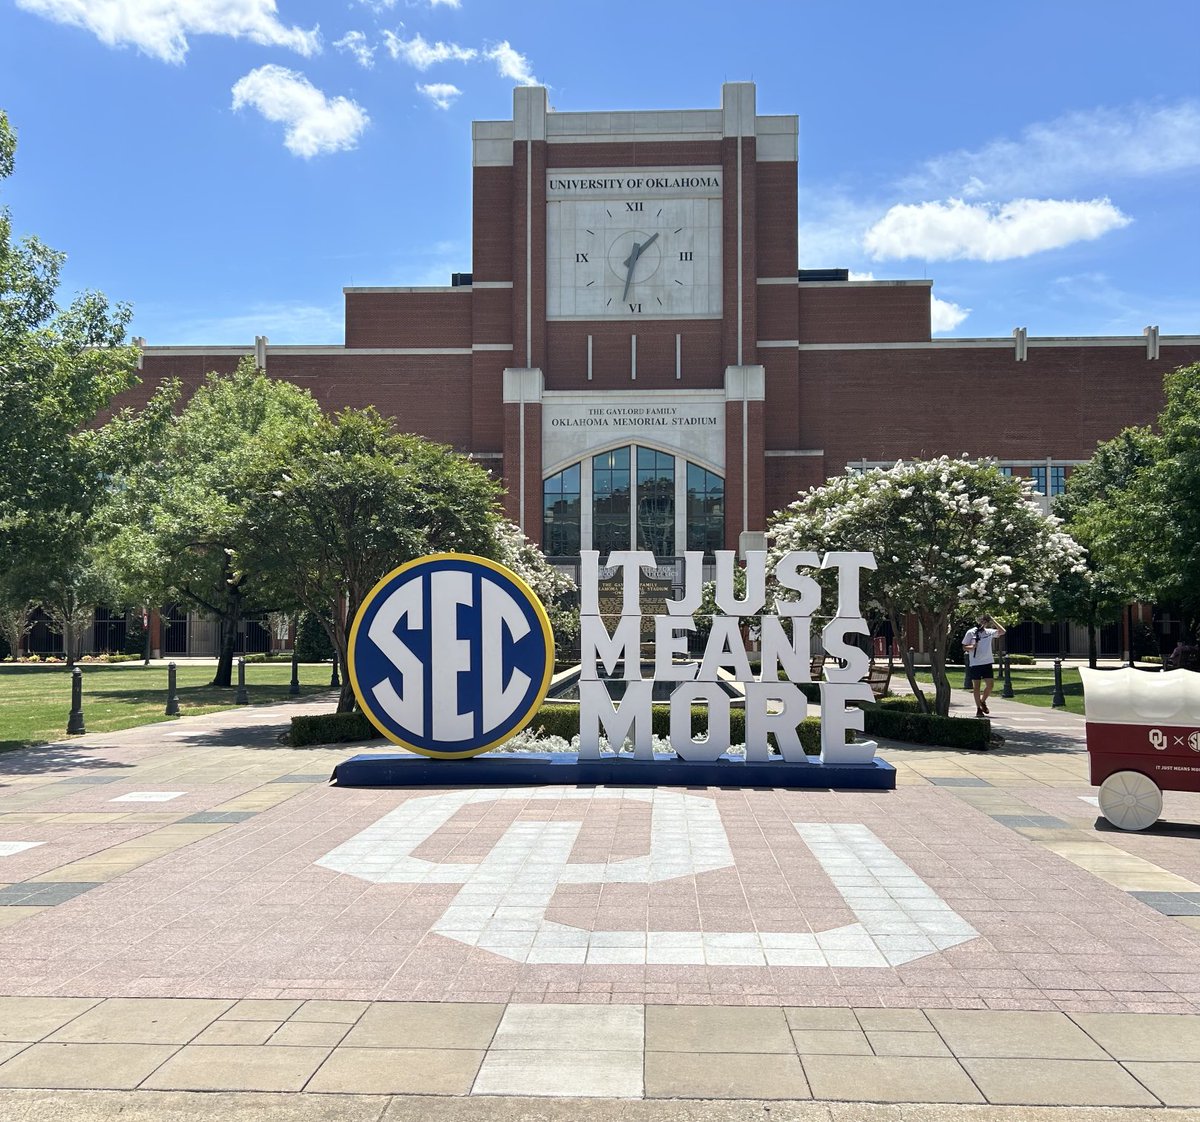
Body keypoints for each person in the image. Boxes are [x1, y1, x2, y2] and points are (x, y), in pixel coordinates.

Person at [962, 614, 1006, 718]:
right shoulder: (971, 632)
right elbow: (964, 647)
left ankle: (982, 701)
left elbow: (1003, 631)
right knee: (976, 687)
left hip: (987, 663)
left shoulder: (989, 632)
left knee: (990, 685)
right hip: (976, 663)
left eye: (986, 622)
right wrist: (972, 646)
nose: (983, 624)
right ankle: (978, 709)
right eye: (982, 621)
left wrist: (993, 620)